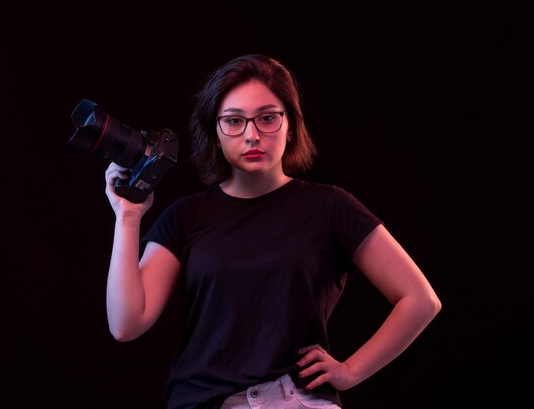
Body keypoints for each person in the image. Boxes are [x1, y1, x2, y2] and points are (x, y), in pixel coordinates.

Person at [103, 54, 442, 409]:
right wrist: (127, 217)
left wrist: (350, 371)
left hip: (291, 400)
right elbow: (126, 324)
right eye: (234, 121)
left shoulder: (330, 207)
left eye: (267, 118)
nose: (252, 135)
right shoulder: (187, 216)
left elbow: (421, 300)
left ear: (291, 126)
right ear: (216, 134)